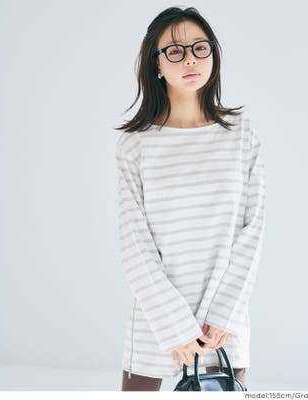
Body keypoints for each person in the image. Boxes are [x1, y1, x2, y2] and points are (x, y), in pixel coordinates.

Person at [114, 6, 266, 391]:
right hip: (156, 325)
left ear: (213, 54)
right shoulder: (136, 144)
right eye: (175, 51)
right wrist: (176, 326)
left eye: (200, 48)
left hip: (222, 328)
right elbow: (134, 244)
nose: (191, 59)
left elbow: (252, 231)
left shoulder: (241, 133)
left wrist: (225, 313)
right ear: (156, 64)